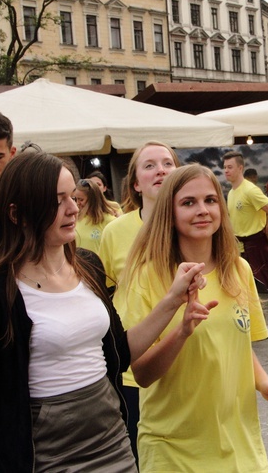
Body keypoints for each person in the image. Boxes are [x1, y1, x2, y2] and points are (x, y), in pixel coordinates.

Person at [0, 152, 209, 472]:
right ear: (16, 213)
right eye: (57, 200)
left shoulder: (88, 266)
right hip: (46, 456)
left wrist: (173, 301)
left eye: (73, 197)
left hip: (113, 443)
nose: (73, 209)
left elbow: (120, 352)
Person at [118, 164, 268, 472]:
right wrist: (182, 331)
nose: (202, 210)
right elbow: (141, 374)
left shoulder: (238, 270)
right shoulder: (148, 276)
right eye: (188, 202)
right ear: (168, 213)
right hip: (175, 450)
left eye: (210, 200)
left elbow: (237, 343)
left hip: (241, 447)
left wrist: (264, 383)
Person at [98, 140, 181, 461]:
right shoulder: (115, 231)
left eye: (167, 163)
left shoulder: (197, 224)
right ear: (135, 182)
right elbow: (103, 292)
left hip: (187, 359)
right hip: (133, 368)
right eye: (149, 165)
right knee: (135, 454)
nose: (160, 170)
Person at [222, 151, 268, 292]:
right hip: (238, 247)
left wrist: (266, 232)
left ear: (240, 168)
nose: (226, 171)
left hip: (254, 245)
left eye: (230, 167)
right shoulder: (231, 192)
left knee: (260, 287)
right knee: (242, 287)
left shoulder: (250, 190)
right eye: (224, 167)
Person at [74, 178, 117, 256]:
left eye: (81, 200)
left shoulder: (110, 221)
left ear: (92, 199)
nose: (77, 203)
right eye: (75, 199)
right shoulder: (74, 218)